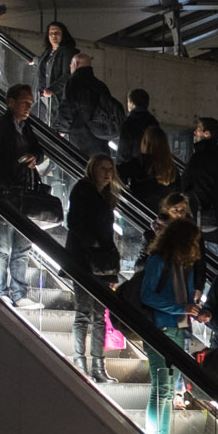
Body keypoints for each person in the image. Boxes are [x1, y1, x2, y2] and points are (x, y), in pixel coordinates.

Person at [138, 218, 204, 434]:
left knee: (166, 390)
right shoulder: (158, 261)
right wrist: (180, 308)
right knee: (162, 389)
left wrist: (191, 310)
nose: (195, 245)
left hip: (178, 328)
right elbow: (147, 295)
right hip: (160, 329)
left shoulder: (185, 266)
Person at [0, 84, 44, 308]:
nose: (29, 107)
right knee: (2, 246)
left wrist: (34, 157)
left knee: (22, 246)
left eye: (30, 103)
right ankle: (0, 290)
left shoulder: (26, 128)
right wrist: (4, 188)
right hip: (6, 194)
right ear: (11, 102)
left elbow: (40, 150)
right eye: (25, 102)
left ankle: (18, 292)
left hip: (25, 194)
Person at [69, 153, 121, 382]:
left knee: (100, 315)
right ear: (93, 169)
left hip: (102, 263)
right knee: (83, 312)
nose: (108, 173)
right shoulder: (83, 189)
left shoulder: (108, 196)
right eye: (103, 168)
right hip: (83, 260)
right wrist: (93, 242)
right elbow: (74, 222)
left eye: (110, 168)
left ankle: (98, 366)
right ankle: (80, 362)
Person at [118, 125, 178, 236]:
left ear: (145, 142)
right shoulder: (172, 167)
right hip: (164, 217)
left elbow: (118, 172)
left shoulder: (140, 163)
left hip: (140, 214)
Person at [58, 53, 119, 160]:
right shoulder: (100, 85)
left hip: (80, 136)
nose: (70, 66)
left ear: (76, 64)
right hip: (101, 135)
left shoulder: (73, 82)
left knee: (81, 166)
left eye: (71, 63)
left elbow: (67, 107)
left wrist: (62, 129)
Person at [181, 117, 218, 251]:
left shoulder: (198, 157)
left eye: (199, 129)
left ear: (207, 134)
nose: (195, 132)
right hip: (212, 219)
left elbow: (185, 183)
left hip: (195, 216)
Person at [33, 20, 78, 124]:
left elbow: (68, 75)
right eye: (51, 33)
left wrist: (52, 90)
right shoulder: (47, 52)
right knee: (33, 119)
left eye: (57, 33)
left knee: (52, 125)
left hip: (56, 97)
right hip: (43, 96)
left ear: (63, 35)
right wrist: (35, 60)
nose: (53, 35)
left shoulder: (68, 52)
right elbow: (43, 63)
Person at [115, 88, 157, 165]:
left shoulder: (129, 123)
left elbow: (123, 153)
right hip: (152, 167)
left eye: (128, 101)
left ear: (131, 102)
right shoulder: (154, 122)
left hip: (135, 169)